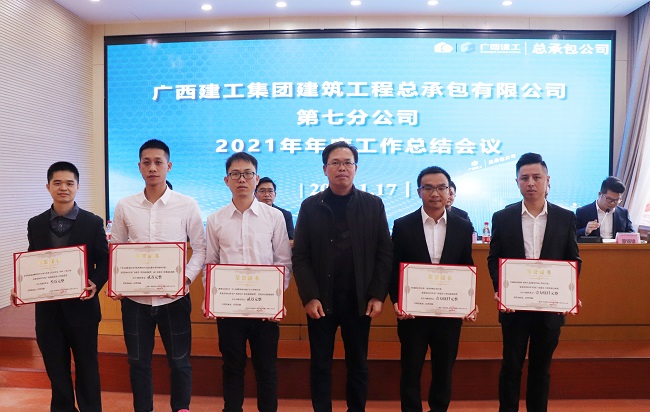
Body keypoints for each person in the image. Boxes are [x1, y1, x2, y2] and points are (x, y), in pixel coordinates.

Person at [291, 141, 393, 412]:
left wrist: (377, 295)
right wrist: (310, 296)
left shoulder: (373, 205)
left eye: (348, 162)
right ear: (325, 169)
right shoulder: (311, 206)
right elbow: (300, 256)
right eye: (335, 163)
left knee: (358, 364)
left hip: (359, 300)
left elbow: (384, 253)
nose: (342, 168)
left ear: (356, 168)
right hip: (321, 301)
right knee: (320, 364)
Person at [110, 139, 206, 412]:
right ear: (139, 167)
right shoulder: (125, 205)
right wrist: (118, 281)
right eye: (147, 162)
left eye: (158, 162)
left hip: (174, 299)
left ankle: (181, 408)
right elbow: (116, 248)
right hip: (135, 301)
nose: (152, 168)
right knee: (138, 362)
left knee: (180, 362)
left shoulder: (186, 204)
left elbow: (201, 249)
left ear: (169, 166)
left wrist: (184, 279)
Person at [487, 153, 581, 412]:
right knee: (511, 367)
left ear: (547, 180)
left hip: (549, 309)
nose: (531, 183)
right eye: (524, 178)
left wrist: (569, 293)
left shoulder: (565, 217)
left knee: (541, 369)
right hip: (514, 308)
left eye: (536, 177)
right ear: (517, 182)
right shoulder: (503, 217)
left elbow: (573, 259)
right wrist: (500, 288)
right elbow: (494, 258)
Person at [11, 161, 108, 412]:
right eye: (57, 183)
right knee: (56, 370)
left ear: (77, 187)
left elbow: (104, 260)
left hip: (83, 310)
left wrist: (96, 283)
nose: (63, 188)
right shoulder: (36, 223)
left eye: (69, 183)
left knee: (88, 368)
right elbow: (33, 260)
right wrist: (21, 286)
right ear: (48, 187)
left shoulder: (92, 222)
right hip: (48, 312)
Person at [205, 152, 292, 412]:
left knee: (266, 368)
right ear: (226, 180)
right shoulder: (215, 219)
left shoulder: (274, 217)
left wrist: (275, 300)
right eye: (235, 174)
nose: (241, 179)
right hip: (228, 309)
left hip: (265, 310)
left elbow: (283, 262)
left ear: (256, 178)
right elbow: (211, 263)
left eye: (247, 174)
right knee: (232, 366)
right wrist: (210, 298)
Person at [390, 166, 477, 412]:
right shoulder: (403, 225)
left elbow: (466, 265)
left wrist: (469, 302)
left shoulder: (462, 226)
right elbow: (394, 267)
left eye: (441, 188)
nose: (435, 193)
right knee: (411, 369)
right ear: (419, 192)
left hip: (448, 314)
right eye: (428, 188)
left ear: (449, 192)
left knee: (443, 370)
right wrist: (397, 300)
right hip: (413, 314)